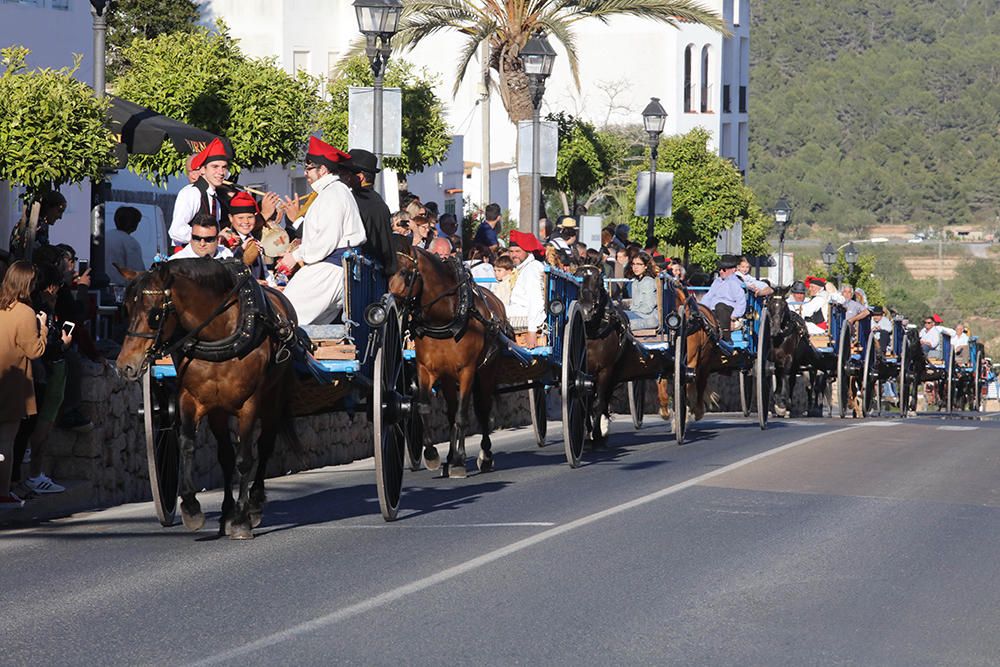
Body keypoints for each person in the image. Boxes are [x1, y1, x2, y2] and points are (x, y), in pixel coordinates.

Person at [277, 137, 367, 325]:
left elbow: (324, 243)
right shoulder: (334, 192)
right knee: (304, 326)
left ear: (323, 169)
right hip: (334, 270)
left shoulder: (332, 194)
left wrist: (294, 256)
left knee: (282, 316)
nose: (305, 173)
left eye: (309, 168)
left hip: (328, 271)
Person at [0, 261, 47, 508]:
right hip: (13, 384)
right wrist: (45, 328)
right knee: (6, 440)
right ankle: (3, 491)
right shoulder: (25, 313)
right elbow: (34, 350)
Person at [168, 138, 230, 249]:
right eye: (215, 167)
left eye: (224, 167)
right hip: (187, 261)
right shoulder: (191, 193)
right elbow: (176, 231)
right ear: (202, 170)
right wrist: (211, 237)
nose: (221, 172)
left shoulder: (216, 199)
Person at [345, 148, 397, 275]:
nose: (345, 177)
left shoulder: (354, 201)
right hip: (377, 275)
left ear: (360, 177)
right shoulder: (378, 201)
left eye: (348, 173)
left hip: (361, 276)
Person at [506, 230, 547, 347]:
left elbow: (536, 301)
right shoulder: (523, 268)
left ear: (527, 252)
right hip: (516, 311)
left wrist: (532, 330)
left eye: (518, 251)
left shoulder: (531, 269)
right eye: (511, 251)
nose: (514, 255)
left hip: (524, 315)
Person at [219, 192, 268, 280]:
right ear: (231, 218)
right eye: (240, 218)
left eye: (250, 217)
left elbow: (264, 272)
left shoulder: (254, 240)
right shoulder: (224, 241)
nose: (246, 222)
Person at [8, 191, 67, 260]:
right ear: (48, 207)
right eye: (59, 211)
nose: (60, 217)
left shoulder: (30, 222)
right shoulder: (37, 225)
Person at [700, 257, 746, 342]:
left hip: (728, 310)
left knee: (720, 306)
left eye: (724, 269)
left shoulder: (735, 282)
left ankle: (726, 338)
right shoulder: (717, 282)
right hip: (714, 310)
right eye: (719, 269)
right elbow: (708, 296)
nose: (721, 271)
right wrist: (701, 308)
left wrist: (734, 316)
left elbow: (741, 300)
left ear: (733, 270)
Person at [106, 206, 145, 285]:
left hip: (102, 285)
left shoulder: (105, 236)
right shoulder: (130, 242)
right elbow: (136, 272)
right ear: (134, 224)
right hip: (120, 288)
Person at [169, 214, 234, 261]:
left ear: (217, 239)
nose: (202, 244)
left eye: (208, 239)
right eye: (197, 238)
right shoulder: (177, 262)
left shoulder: (226, 254)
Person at [623, 251, 659, 330]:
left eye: (639, 264)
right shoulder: (635, 282)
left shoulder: (648, 281)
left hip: (648, 318)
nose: (635, 267)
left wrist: (631, 312)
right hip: (638, 314)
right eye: (633, 264)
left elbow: (648, 307)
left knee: (621, 320)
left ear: (645, 266)